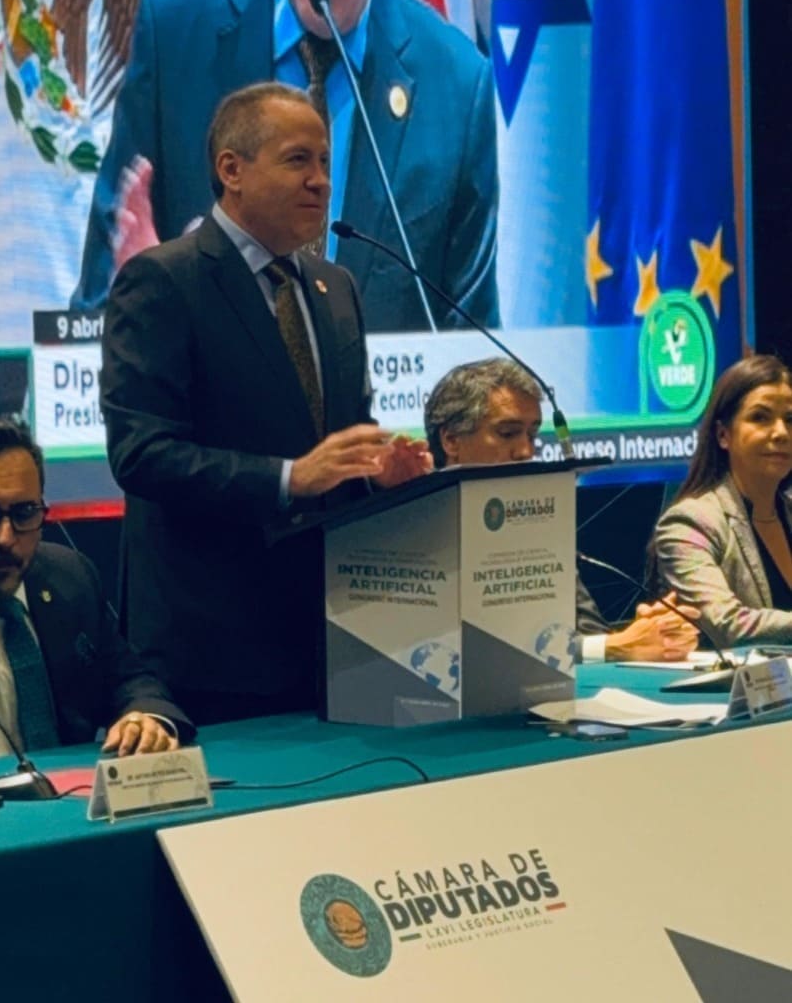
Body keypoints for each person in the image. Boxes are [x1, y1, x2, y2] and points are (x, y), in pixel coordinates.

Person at [101, 82, 431, 725]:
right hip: (212, 650)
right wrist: (289, 477)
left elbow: (339, 441)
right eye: (297, 160)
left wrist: (376, 470)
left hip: (334, 639)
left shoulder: (336, 288)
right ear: (232, 170)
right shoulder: (164, 281)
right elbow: (142, 454)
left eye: (325, 162)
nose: (320, 181)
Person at [72, 0, 498, 333]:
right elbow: (89, 320)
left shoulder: (457, 87)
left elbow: (478, 363)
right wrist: (143, 307)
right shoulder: (173, 32)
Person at [0, 418, 193, 774]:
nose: (5, 538)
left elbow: (130, 679)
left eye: (25, 513)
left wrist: (144, 717)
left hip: (71, 798)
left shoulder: (69, 576)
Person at [424, 358, 700, 662]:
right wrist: (613, 647)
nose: (526, 451)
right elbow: (467, 651)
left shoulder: (535, 526)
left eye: (532, 436)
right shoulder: (418, 530)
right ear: (451, 440)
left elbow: (588, 630)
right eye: (508, 433)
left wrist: (647, 634)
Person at [653, 354, 792, 648]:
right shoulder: (689, 523)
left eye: (790, 420)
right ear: (722, 435)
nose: (781, 432)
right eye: (760, 417)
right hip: (733, 679)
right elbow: (728, 624)